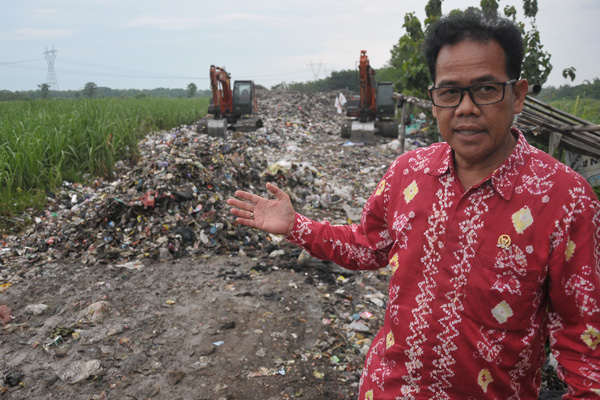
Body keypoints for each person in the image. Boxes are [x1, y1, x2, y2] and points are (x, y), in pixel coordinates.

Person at [227, 9, 600, 399]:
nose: (466, 108)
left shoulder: (564, 199)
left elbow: (584, 343)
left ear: (518, 94)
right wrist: (295, 226)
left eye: (486, 89)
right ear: (434, 100)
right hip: (387, 388)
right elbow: (367, 246)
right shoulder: (409, 172)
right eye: (450, 92)